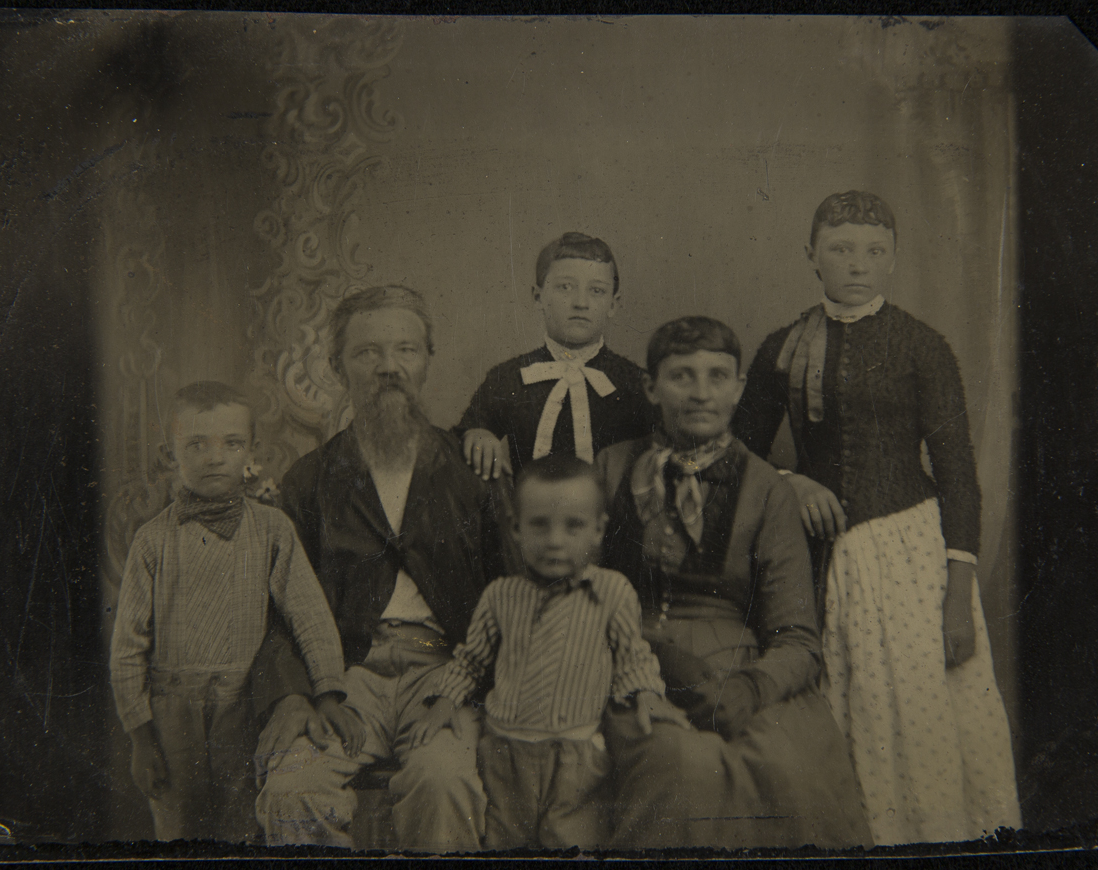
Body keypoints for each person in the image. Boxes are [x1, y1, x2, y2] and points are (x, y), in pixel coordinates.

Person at [732, 191, 1021, 845]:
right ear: (811, 257)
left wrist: (957, 596)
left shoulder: (922, 346)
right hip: (822, 559)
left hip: (912, 558)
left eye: (873, 251)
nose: (856, 264)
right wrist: (791, 479)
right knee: (844, 721)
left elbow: (957, 478)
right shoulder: (784, 345)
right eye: (839, 249)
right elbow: (737, 451)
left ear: (892, 260)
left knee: (924, 725)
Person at [596, 317, 873, 849]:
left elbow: (797, 638)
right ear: (651, 387)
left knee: (786, 765)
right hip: (632, 664)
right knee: (681, 766)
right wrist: (641, 656)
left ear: (740, 388)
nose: (701, 394)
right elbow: (572, 589)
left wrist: (749, 689)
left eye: (718, 376)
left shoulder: (767, 490)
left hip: (743, 670)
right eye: (682, 376)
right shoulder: (611, 469)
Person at [251, 286, 509, 851]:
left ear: (427, 361)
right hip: (340, 678)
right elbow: (274, 610)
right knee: (292, 789)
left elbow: (509, 598)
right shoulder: (310, 478)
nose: (388, 367)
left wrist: (478, 688)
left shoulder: (471, 472)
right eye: (368, 353)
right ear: (337, 366)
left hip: (446, 674)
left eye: (405, 351)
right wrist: (292, 695)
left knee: (443, 782)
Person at [109, 381, 356, 842]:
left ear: (250, 450)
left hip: (241, 712)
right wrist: (140, 739)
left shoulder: (272, 531)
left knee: (240, 833)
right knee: (177, 835)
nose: (214, 457)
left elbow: (311, 617)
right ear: (170, 452)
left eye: (232, 443)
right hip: (170, 715)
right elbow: (127, 649)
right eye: (196, 444)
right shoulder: (152, 540)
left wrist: (327, 693)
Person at [410, 454, 688, 849]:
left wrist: (648, 694)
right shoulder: (501, 596)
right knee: (504, 843)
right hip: (505, 756)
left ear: (598, 530)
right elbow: (470, 661)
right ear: (516, 529)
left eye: (573, 526)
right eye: (539, 525)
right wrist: (443, 702)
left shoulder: (612, 592)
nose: (555, 541)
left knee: (571, 844)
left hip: (576, 762)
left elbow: (632, 656)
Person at [455, 232, 654, 481]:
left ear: (613, 304)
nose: (581, 303)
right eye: (565, 287)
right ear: (538, 297)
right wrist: (477, 433)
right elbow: (469, 430)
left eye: (596, 291)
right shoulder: (508, 378)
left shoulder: (635, 384)